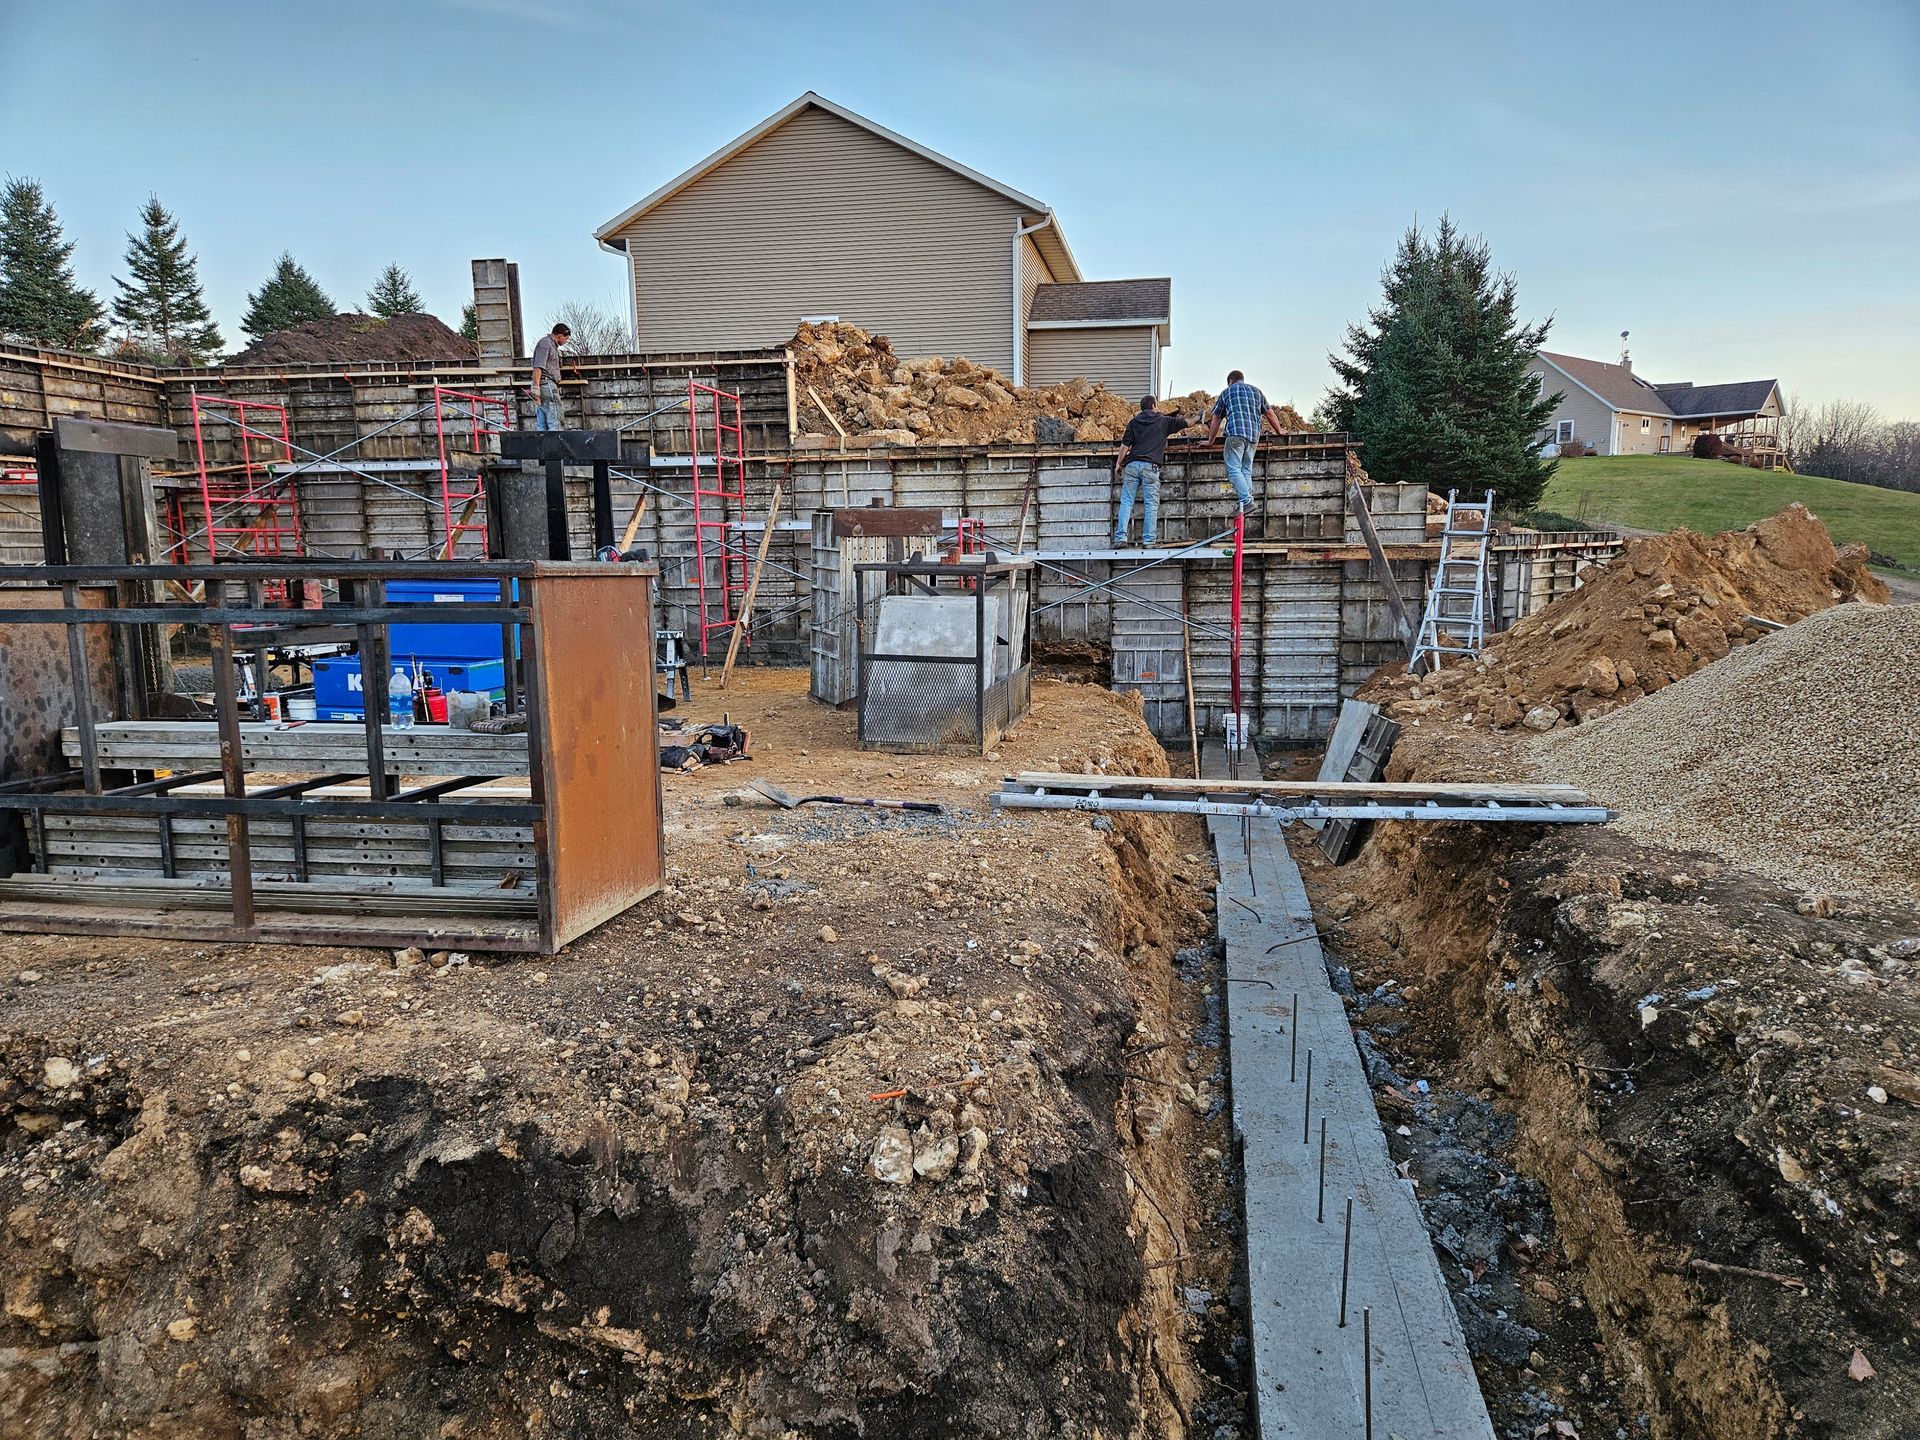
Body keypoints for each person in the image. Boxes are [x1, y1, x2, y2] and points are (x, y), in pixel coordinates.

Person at [1110, 396, 1190, 547]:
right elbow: (1187, 423)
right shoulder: (1164, 421)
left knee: (1126, 502)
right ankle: (1148, 541)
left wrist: (1119, 464)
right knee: (1151, 505)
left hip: (1132, 465)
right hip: (1150, 467)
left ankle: (1120, 538)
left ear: (1142, 408)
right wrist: (1199, 417)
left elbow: (1124, 446)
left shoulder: (1134, 422)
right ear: (1154, 405)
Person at [1204, 369, 1287, 510]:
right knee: (1246, 469)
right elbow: (1269, 413)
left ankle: (1246, 500)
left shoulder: (1227, 392)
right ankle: (1247, 501)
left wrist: (1210, 441)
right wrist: (1279, 431)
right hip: (1254, 436)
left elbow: (1216, 418)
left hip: (1236, 434)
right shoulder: (1257, 392)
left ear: (1230, 381)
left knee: (1233, 469)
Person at [531, 322, 572, 431]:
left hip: (543, 385)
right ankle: (556, 447)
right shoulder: (546, 344)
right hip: (546, 385)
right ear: (560, 336)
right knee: (556, 421)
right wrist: (536, 387)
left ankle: (544, 447)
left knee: (543, 423)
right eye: (566, 338)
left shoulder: (549, 345)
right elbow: (538, 366)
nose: (566, 341)